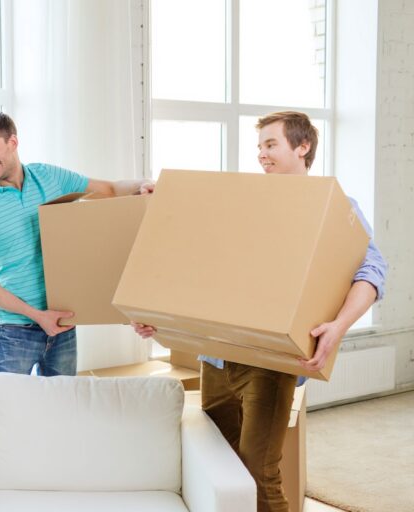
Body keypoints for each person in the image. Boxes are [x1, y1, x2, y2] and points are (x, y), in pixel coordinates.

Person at [132, 111, 387, 512]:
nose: (261, 155)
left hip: (270, 362)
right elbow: (195, 262)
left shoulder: (335, 207)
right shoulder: (243, 199)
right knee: (218, 463)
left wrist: (338, 326)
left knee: (257, 468)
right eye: (259, 147)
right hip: (216, 356)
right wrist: (159, 316)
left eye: (271, 145)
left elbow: (372, 272)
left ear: (302, 147)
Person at [0, 110, 153, 377]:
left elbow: (109, 189)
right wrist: (38, 316)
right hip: (15, 333)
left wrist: (144, 184)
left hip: (62, 327)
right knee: (7, 413)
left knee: (62, 411)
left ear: (13, 143)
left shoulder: (47, 177)